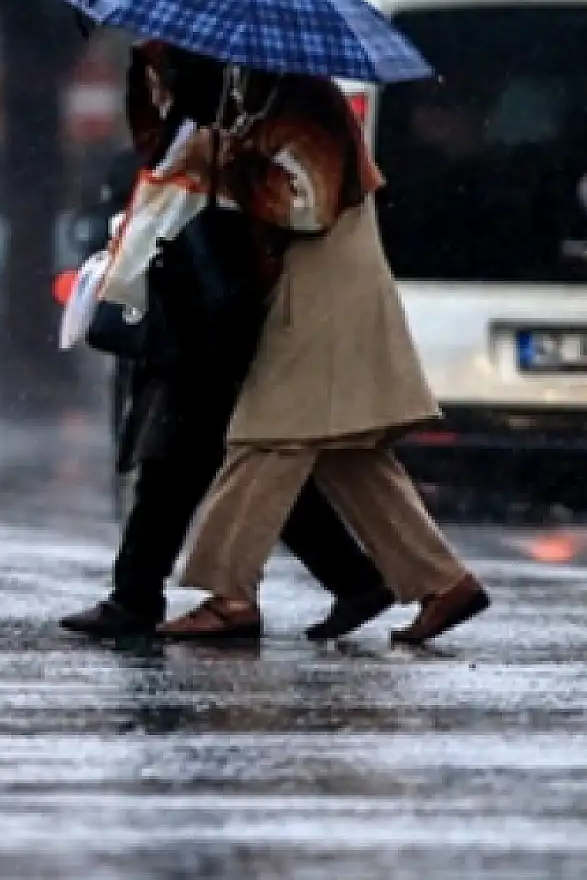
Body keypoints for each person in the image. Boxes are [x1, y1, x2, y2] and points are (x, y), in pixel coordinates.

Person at [62, 44, 393, 641]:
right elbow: (156, 160)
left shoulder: (283, 104)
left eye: (166, 60)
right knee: (212, 459)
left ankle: (142, 594)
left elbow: (305, 203)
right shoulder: (210, 109)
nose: (161, 72)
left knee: (189, 458)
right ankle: (348, 577)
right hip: (186, 297)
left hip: (221, 304)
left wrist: (232, 164)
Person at [158, 67, 489, 645]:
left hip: (324, 291)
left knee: (267, 436)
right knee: (347, 451)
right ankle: (443, 582)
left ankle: (228, 595)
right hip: (319, 286)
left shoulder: (308, 105)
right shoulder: (271, 100)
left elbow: (308, 208)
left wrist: (223, 162)